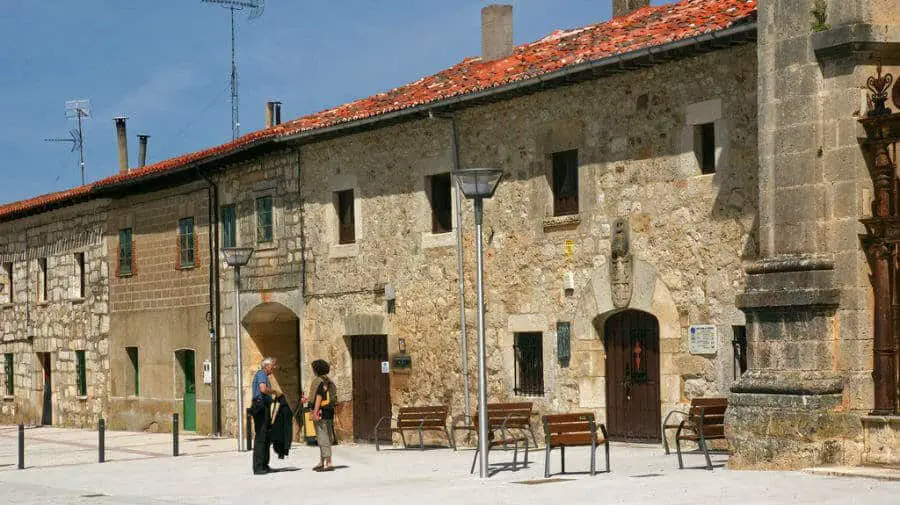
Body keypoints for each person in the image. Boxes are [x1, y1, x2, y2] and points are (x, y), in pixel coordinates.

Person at [304, 359, 336, 472]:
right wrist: (308, 400)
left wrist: (315, 412)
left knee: (322, 437)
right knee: (326, 436)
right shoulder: (328, 381)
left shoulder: (318, 381)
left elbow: (318, 397)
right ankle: (323, 461)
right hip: (329, 412)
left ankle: (329, 462)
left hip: (321, 412)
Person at [250, 357, 281, 475]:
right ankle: (258, 467)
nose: (274, 367)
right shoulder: (261, 374)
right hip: (260, 407)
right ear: (266, 366)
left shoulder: (264, 375)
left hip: (264, 407)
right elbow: (263, 389)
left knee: (266, 437)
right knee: (261, 437)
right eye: (273, 365)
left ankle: (264, 464)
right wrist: (275, 392)